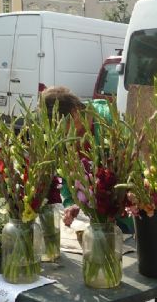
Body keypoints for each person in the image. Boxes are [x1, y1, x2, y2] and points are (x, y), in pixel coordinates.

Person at [40, 86, 134, 234]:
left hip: (125, 221)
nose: (67, 136)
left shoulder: (110, 121)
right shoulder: (63, 138)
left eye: (66, 128)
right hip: (94, 222)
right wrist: (72, 204)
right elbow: (66, 179)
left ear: (75, 110)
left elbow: (132, 169)